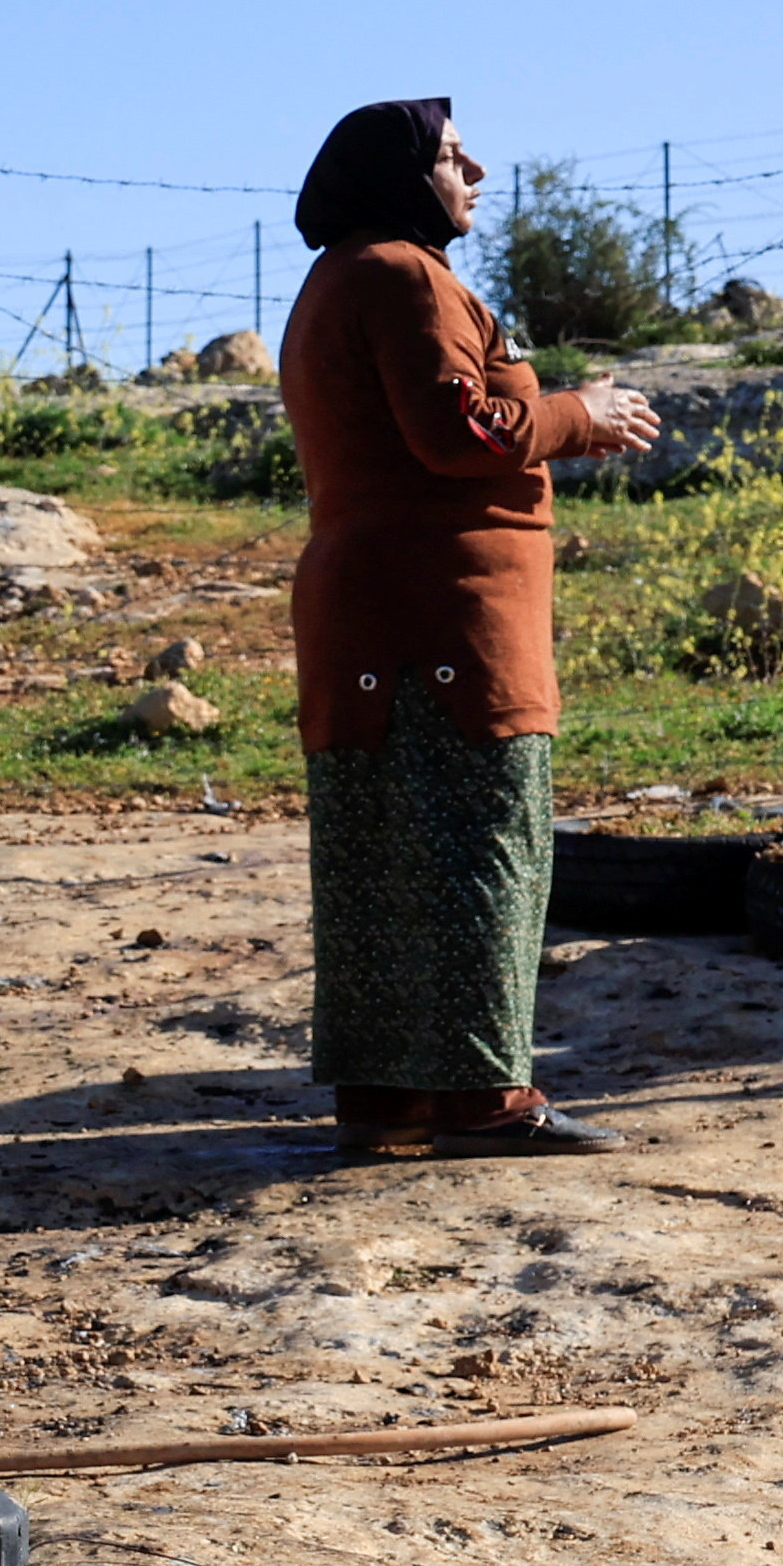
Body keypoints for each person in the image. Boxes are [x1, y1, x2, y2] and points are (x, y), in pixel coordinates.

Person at [278, 98, 660, 1159]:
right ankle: (483, 1099)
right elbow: (460, 430)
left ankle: (389, 1095)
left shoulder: (338, 280)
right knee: (478, 842)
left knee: (384, 850)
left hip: (378, 612)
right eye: (450, 156)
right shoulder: (402, 276)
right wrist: (581, 414)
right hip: (440, 612)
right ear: (401, 179)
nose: (474, 168)